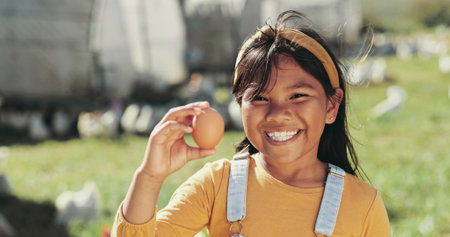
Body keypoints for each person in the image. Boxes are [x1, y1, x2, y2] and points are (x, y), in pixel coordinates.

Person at [111, 10, 391, 237]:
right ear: (239, 107)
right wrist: (149, 177)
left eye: (298, 95)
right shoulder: (216, 186)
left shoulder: (362, 204)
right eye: (259, 97)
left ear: (331, 106)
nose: (278, 113)